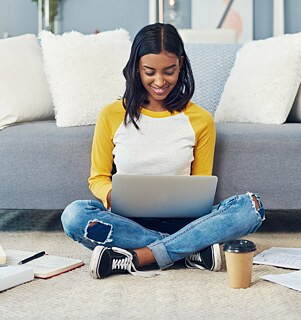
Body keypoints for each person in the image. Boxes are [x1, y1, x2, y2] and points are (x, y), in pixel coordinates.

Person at [61, 23, 265, 279]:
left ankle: (141, 256)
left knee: (251, 207)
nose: (159, 82)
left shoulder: (200, 119)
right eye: (150, 72)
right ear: (137, 67)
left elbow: (200, 186)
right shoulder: (112, 115)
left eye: (169, 71)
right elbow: (98, 178)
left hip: (185, 222)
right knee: (74, 215)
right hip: (128, 223)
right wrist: (113, 196)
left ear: (181, 64)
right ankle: (189, 251)